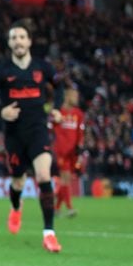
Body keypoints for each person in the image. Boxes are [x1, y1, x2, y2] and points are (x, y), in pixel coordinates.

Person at [0, 20, 64, 253]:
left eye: (21, 37)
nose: (18, 41)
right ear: (9, 43)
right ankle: (16, 207)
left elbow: (59, 87)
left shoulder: (43, 68)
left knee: (43, 175)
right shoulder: (0, 72)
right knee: (18, 181)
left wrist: (56, 108)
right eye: (13, 38)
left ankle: (49, 234)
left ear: (29, 41)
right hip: (14, 135)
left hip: (38, 130)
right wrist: (1, 112)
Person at [52, 86, 85, 218]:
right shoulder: (59, 113)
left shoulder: (78, 114)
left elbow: (80, 133)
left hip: (73, 152)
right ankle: (70, 208)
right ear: (67, 97)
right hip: (61, 151)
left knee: (66, 180)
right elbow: (51, 128)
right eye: (74, 96)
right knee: (65, 179)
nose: (76, 99)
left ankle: (56, 208)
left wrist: (80, 148)